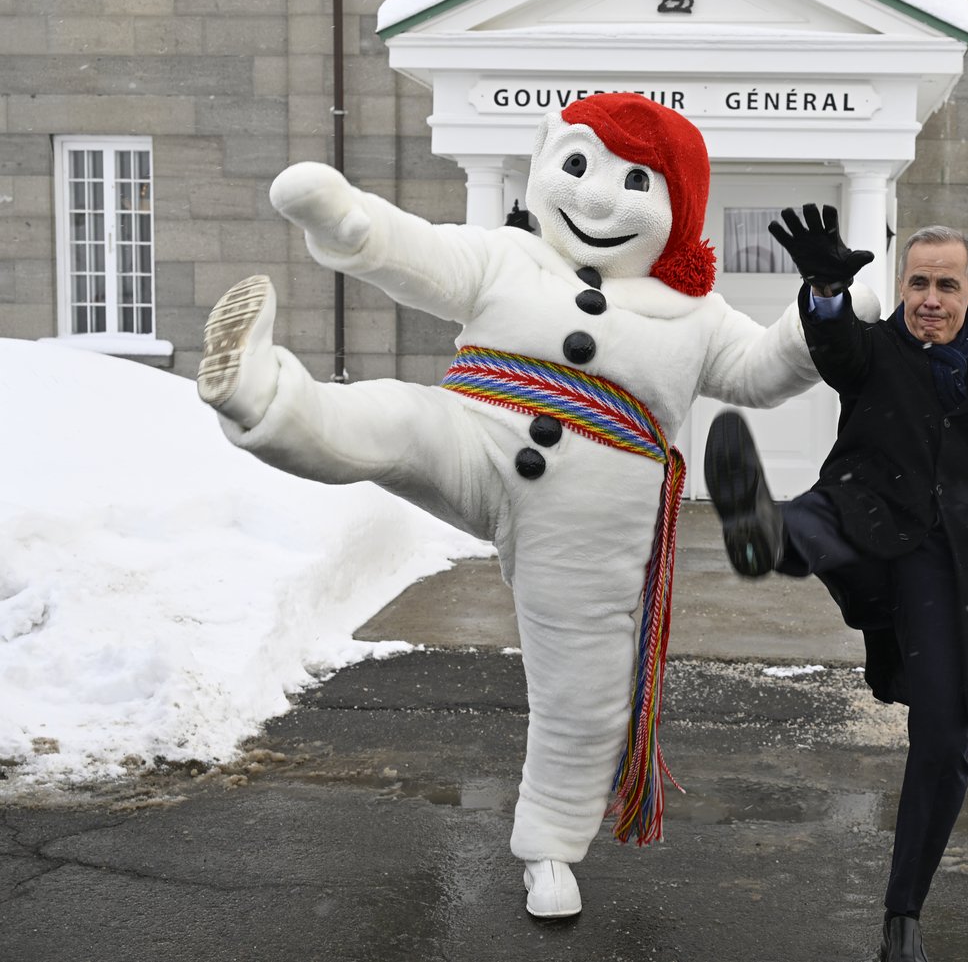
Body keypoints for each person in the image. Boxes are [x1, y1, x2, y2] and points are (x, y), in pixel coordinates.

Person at [194, 98, 879, 921]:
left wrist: (825, 301)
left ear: (678, 211)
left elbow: (764, 372)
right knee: (398, 422)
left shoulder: (695, 315)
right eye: (578, 166)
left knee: (582, 685)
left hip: (591, 515)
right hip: (477, 435)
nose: (596, 199)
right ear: (545, 165)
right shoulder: (508, 256)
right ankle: (261, 396)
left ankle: (551, 849)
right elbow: (418, 253)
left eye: (636, 181)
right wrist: (344, 217)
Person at [702, 205, 968, 962]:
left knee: (945, 739)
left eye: (946, 284)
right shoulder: (874, 350)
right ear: (902, 285)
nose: (930, 297)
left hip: (943, 563)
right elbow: (833, 345)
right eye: (918, 282)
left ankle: (903, 917)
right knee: (810, 528)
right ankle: (764, 534)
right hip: (858, 512)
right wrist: (826, 288)